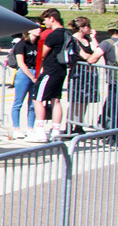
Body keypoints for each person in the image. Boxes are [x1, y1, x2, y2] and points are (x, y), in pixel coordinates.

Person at [32, 8, 71, 141]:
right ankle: (56, 130)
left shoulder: (53, 35)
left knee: (37, 98)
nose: (44, 23)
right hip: (61, 70)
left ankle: (40, 130)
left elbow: (43, 53)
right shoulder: (67, 33)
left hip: (50, 71)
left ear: (52, 19)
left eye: (45, 20)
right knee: (56, 100)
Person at [70, 17, 103, 127]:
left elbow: (97, 50)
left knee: (85, 101)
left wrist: (93, 38)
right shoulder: (73, 40)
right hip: (79, 73)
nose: (90, 28)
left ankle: (79, 124)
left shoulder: (88, 39)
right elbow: (85, 56)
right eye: (88, 26)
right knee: (76, 101)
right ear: (82, 28)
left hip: (90, 74)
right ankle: (70, 124)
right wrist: (93, 57)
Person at [8, 27, 40, 138]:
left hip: (36, 71)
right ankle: (16, 128)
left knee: (33, 103)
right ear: (30, 30)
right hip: (24, 73)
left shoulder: (39, 43)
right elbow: (21, 63)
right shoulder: (21, 44)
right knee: (18, 102)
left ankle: (30, 128)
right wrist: (32, 77)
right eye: (37, 28)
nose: (39, 30)